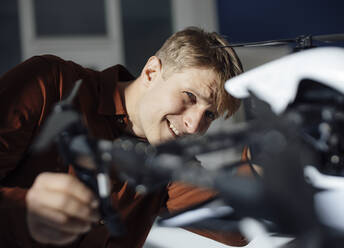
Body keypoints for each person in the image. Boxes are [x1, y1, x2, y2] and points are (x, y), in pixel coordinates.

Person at [0, 27, 247, 247]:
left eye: (210, 115)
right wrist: (25, 212)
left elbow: (240, 228)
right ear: (151, 72)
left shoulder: (171, 162)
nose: (194, 126)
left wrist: (266, 152)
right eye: (189, 97)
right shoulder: (51, 83)